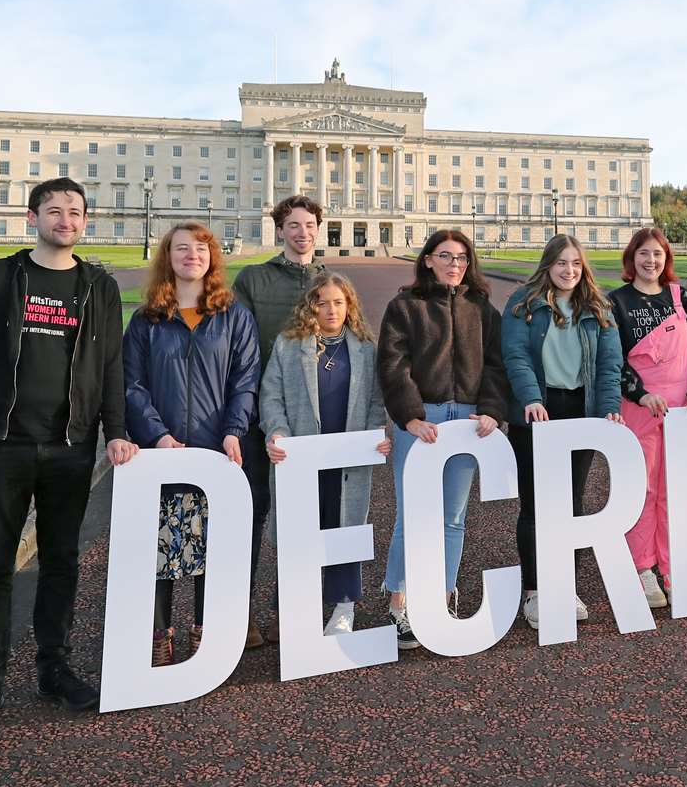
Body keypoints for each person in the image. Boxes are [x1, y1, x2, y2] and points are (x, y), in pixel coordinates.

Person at [0, 177, 139, 741]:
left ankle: (54, 668)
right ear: (32, 217)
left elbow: (113, 368)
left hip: (71, 445)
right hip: (1, 443)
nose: (66, 220)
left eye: (75, 213)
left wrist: (116, 432)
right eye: (55, 211)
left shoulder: (99, 286)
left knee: (60, 561)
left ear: (86, 221)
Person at [122, 222, 261, 667]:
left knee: (210, 547)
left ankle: (205, 631)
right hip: (161, 450)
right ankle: (160, 633)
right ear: (168, 257)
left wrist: (233, 430)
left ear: (212, 258)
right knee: (161, 545)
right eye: (182, 249)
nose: (192, 256)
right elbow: (131, 384)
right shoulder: (146, 320)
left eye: (201, 249)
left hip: (214, 450)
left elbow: (246, 379)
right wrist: (156, 435)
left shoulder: (233, 315)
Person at [376, 229, 507, 650]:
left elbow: (495, 365)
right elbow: (394, 365)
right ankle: (399, 599)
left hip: (467, 419)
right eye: (446, 256)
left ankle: (444, 595)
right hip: (424, 418)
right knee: (413, 513)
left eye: (462, 258)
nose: (455, 264)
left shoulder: (482, 308)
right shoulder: (405, 306)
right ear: (428, 259)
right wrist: (410, 417)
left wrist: (490, 409)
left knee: (452, 518)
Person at [259, 273, 393, 638]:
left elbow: (377, 400)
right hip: (302, 456)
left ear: (349, 305)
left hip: (347, 458)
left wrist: (375, 433)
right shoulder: (289, 346)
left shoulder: (365, 347)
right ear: (311, 306)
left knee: (343, 526)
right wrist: (278, 431)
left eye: (338, 302)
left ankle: (344, 605)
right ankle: (294, 602)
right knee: (299, 528)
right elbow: (271, 395)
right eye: (323, 302)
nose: (331, 309)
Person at [501, 235, 625, 629]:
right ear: (548, 265)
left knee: (572, 504)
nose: (568, 270)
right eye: (561, 263)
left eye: (575, 263)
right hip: (537, 408)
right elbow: (516, 355)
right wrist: (530, 398)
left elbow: (610, 364)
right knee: (536, 504)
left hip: (580, 407)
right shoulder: (523, 304)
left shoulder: (598, 307)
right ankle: (535, 591)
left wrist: (608, 409)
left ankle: (564, 583)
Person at [231, 195, 327, 648]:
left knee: (303, 518)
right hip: (257, 416)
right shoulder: (254, 278)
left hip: (311, 419)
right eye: (293, 224)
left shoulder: (330, 282)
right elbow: (238, 346)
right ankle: (239, 612)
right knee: (250, 514)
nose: (302, 232)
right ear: (280, 230)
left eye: (309, 224)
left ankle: (289, 607)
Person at [609, 228, 687, 603]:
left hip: (684, 409)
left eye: (658, 255)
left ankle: (672, 566)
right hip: (640, 409)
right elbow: (613, 358)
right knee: (643, 489)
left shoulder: (682, 297)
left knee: (675, 490)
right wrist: (640, 393)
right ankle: (642, 568)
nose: (651, 262)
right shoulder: (616, 302)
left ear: (667, 259)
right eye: (644, 254)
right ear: (631, 258)